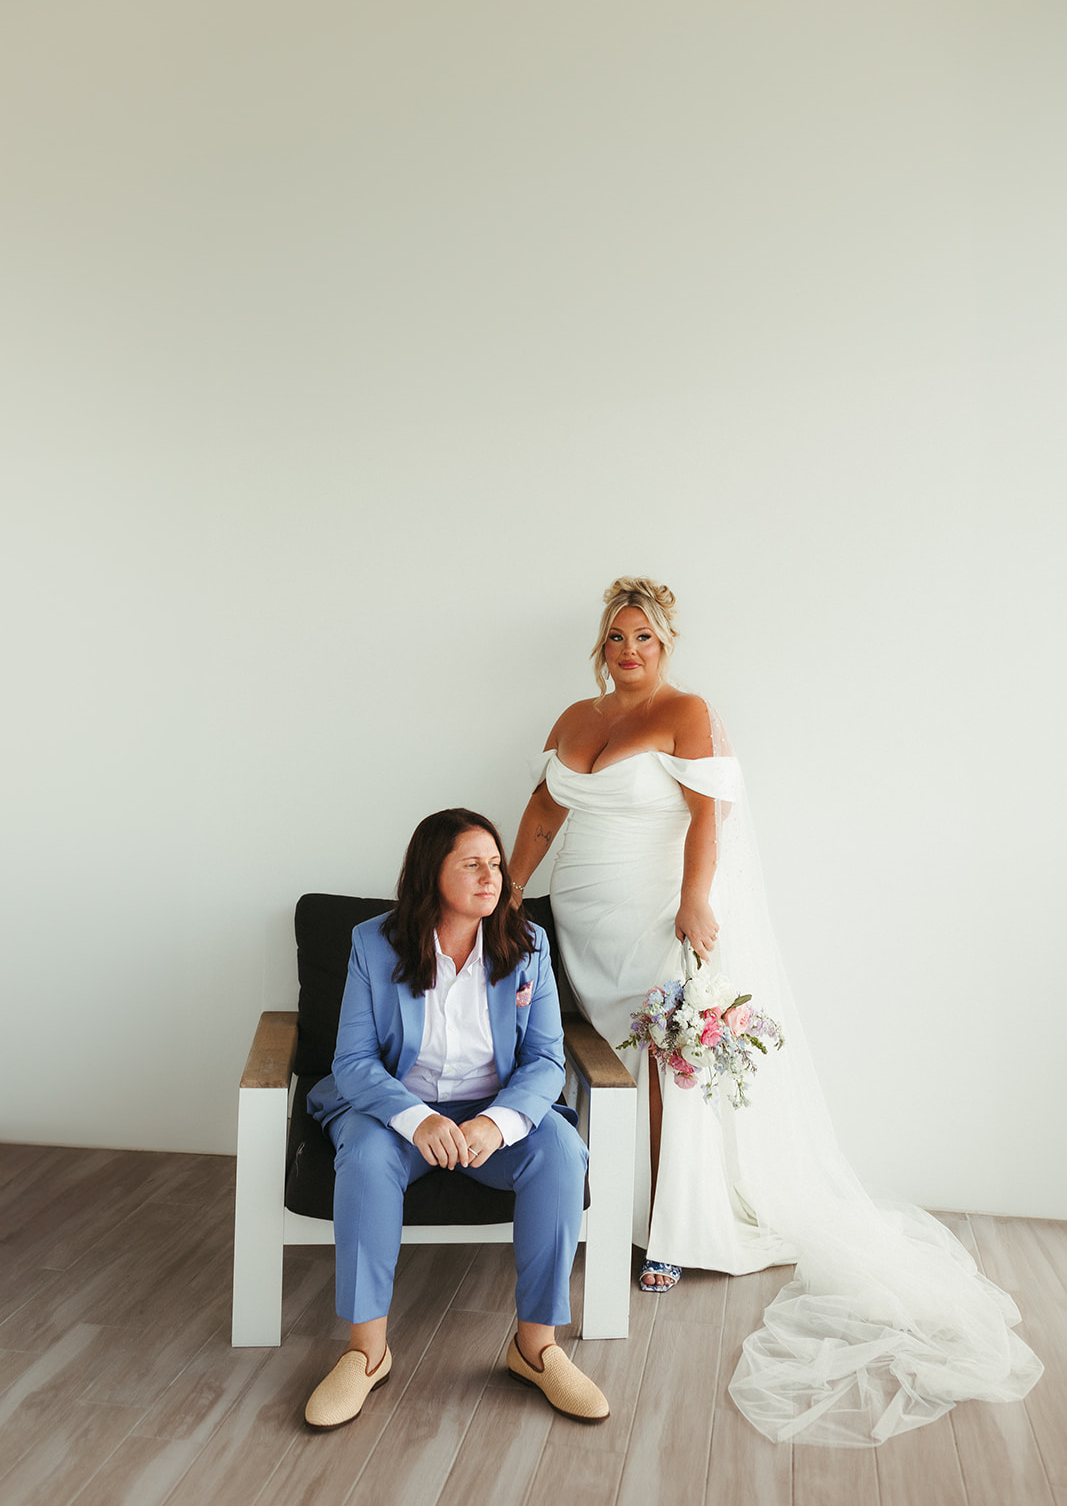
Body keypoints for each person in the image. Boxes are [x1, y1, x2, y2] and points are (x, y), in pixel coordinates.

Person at [508, 577, 1042, 1446]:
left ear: (665, 642)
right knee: (589, 1061)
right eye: (616, 637)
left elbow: (706, 815)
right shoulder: (573, 718)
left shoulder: (688, 709)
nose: (629, 649)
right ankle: (596, 1203)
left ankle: (665, 1230)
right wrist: (515, 889)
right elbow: (540, 807)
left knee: (657, 1062)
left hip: (651, 915)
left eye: (643, 635)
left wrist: (693, 900)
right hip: (580, 917)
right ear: (600, 647)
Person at [304, 809, 609, 1430]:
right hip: (394, 1114)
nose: (490, 876)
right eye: (471, 863)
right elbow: (354, 1061)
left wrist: (496, 1123)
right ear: (430, 873)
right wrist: (417, 1119)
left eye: (495, 863)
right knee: (362, 1157)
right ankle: (366, 1353)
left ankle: (536, 1349)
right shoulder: (373, 942)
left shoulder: (528, 944)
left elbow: (548, 1059)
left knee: (560, 1149)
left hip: (493, 1116)